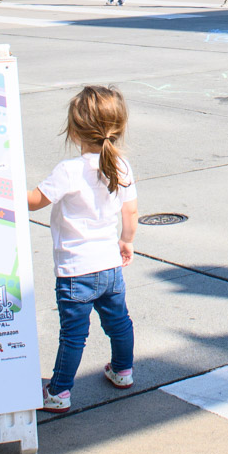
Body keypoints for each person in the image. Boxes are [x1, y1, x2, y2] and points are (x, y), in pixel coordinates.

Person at [28, 86, 138, 416]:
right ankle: (123, 371)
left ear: (74, 130)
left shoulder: (69, 170)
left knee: (74, 335)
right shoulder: (122, 166)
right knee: (119, 323)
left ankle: (59, 391)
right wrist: (126, 240)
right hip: (109, 266)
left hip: (76, 271)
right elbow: (130, 213)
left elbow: (34, 201)